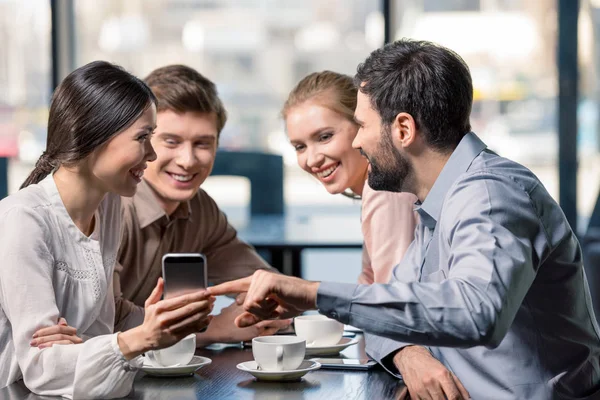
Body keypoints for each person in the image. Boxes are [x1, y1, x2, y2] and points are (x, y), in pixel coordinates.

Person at [210, 39, 600, 400]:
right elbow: (389, 316)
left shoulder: (490, 195)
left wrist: (313, 293)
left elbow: (474, 313)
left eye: (361, 126)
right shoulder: (434, 205)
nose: (358, 142)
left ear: (403, 128)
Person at [0, 61, 214, 398]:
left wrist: (159, 322)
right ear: (93, 135)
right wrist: (141, 336)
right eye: (143, 137)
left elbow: (99, 333)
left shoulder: (108, 204)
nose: (152, 154)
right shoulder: (23, 220)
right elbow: (42, 370)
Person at [282, 71, 467, 397]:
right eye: (299, 146)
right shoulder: (376, 187)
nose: (312, 159)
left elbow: (391, 303)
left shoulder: (383, 191)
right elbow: (372, 286)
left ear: (361, 126)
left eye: (324, 137)